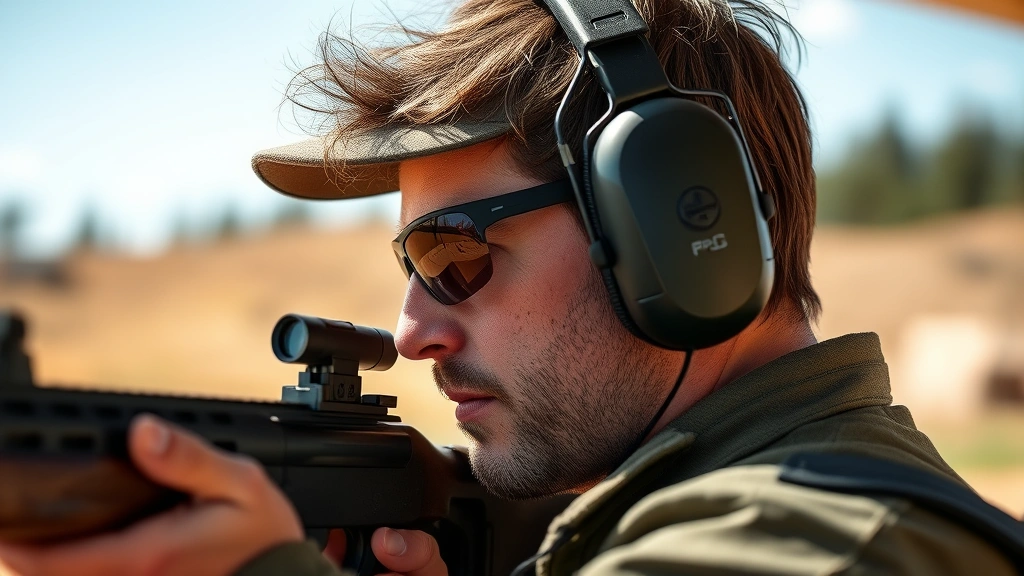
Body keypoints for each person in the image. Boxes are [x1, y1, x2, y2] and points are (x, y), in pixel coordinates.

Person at [0, 1, 1016, 575]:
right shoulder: (653, 512)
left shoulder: (818, 542)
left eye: (454, 260)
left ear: (673, 225)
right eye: (410, 266)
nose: (409, 332)